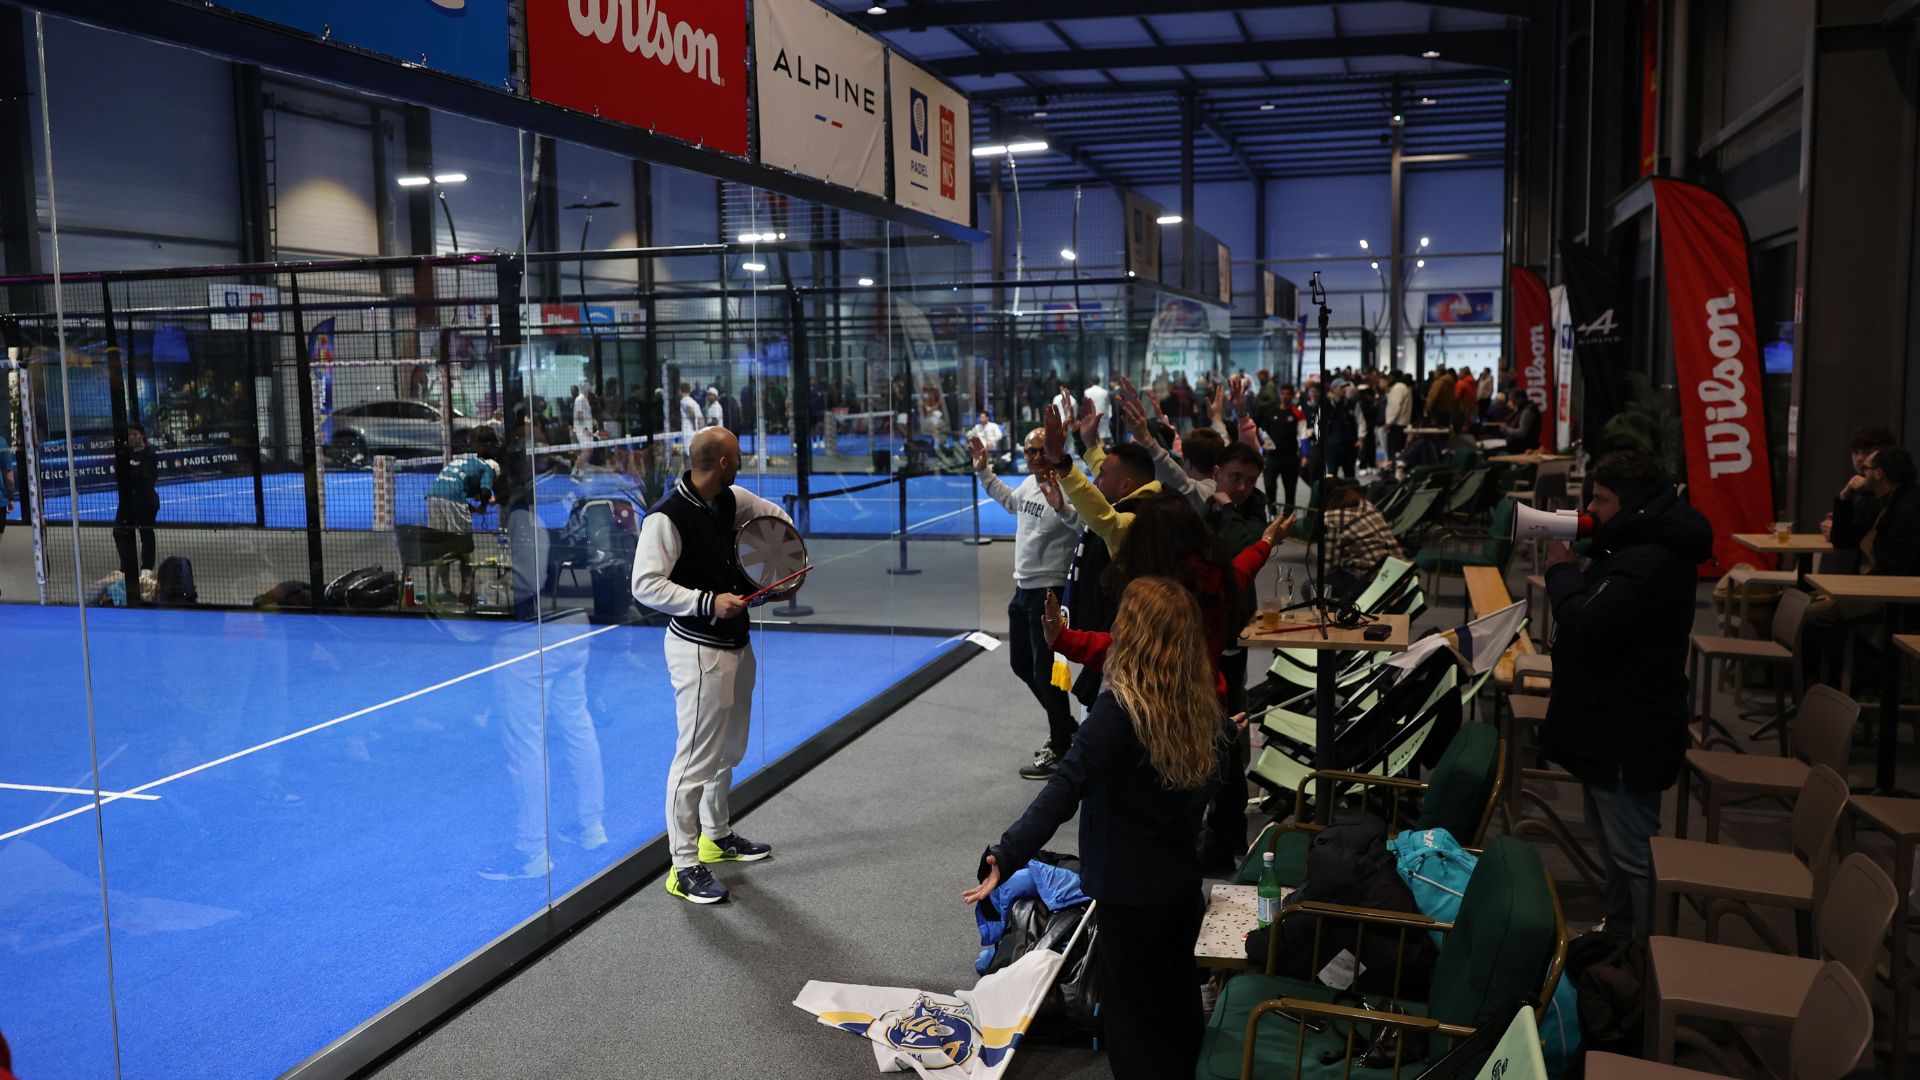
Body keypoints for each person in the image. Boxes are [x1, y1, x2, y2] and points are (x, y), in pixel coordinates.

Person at [965, 577, 1233, 1080]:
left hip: (1129, 897)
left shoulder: (1121, 711)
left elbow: (1064, 787)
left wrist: (1009, 851)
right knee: (1177, 1013)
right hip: (1180, 890)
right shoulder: (1200, 701)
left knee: (1133, 1030)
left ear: (1132, 635)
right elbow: (1215, 780)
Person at [1539, 451, 1713, 938]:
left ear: (1632, 505)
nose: (1590, 510)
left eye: (1601, 500)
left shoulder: (1651, 559)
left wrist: (1561, 571)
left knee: (1634, 854)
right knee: (1613, 843)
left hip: (1627, 730)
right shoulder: (1638, 546)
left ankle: (1648, 959)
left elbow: (1590, 623)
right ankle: (1619, 938)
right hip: (1613, 721)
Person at [631, 428, 786, 905]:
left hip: (737, 642)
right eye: (737, 455)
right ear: (722, 462)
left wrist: (775, 567)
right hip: (698, 650)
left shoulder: (730, 499)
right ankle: (682, 866)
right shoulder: (666, 517)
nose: (742, 461)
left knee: (729, 749)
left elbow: (777, 520)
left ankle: (715, 837)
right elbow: (644, 584)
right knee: (695, 759)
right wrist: (707, 601)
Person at [974, 430, 1083, 779]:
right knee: (1022, 664)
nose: (1036, 457)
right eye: (1030, 451)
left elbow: (1086, 526)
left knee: (1044, 672)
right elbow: (1011, 502)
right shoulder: (1029, 484)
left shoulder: (1070, 487)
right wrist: (984, 471)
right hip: (1023, 588)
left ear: (1054, 451)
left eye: (1041, 451)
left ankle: (1061, 744)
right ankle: (1066, 728)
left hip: (1049, 590)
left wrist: (1062, 507)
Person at [1807, 445, 1920, 683]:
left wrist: (1845, 593)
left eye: (1866, 468)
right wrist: (1844, 496)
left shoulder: (1908, 508)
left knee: (1815, 614)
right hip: (1872, 585)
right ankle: (1833, 682)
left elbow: (1894, 568)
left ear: (1878, 473)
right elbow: (1843, 539)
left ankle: (1874, 670)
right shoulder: (1878, 502)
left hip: (1893, 595)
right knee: (1805, 602)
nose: (1860, 471)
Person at [424, 426, 500, 606]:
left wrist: (472, 507)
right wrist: (482, 506)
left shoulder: (465, 462)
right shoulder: (488, 468)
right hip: (452, 498)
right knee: (464, 548)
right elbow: (485, 491)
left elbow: (454, 493)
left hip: (433, 496)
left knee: (440, 547)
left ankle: (444, 590)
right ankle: (467, 592)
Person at [1316, 484, 1403, 602]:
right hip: (1397, 572)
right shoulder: (1366, 505)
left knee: (1312, 588)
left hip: (1371, 578)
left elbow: (1329, 566)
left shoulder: (1331, 517)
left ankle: (1340, 614)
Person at [113, 422, 160, 607]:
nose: (131, 437)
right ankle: (126, 567)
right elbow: (120, 475)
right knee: (119, 531)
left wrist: (131, 475)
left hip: (146, 501)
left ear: (142, 435)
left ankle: (147, 568)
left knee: (146, 532)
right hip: (128, 501)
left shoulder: (150, 454)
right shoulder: (126, 454)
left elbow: (146, 477)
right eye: (129, 434)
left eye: (134, 434)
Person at [1261, 383, 1303, 518]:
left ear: (1292, 395)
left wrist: (1305, 454)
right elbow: (1263, 432)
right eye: (1283, 393)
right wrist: (1264, 445)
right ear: (1280, 395)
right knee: (1269, 485)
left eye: (1288, 394)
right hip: (1273, 456)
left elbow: (1303, 434)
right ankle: (1272, 513)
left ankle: (1288, 516)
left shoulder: (1297, 413)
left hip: (1290, 456)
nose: (1285, 396)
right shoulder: (1271, 412)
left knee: (1290, 488)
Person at [1383, 371, 1412, 461]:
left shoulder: (1398, 388)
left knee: (1394, 452)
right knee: (1399, 451)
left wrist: (1389, 422)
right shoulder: (1404, 387)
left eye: (1390, 377)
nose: (1388, 380)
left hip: (1397, 424)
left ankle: (1393, 467)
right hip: (1402, 423)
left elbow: (1395, 406)